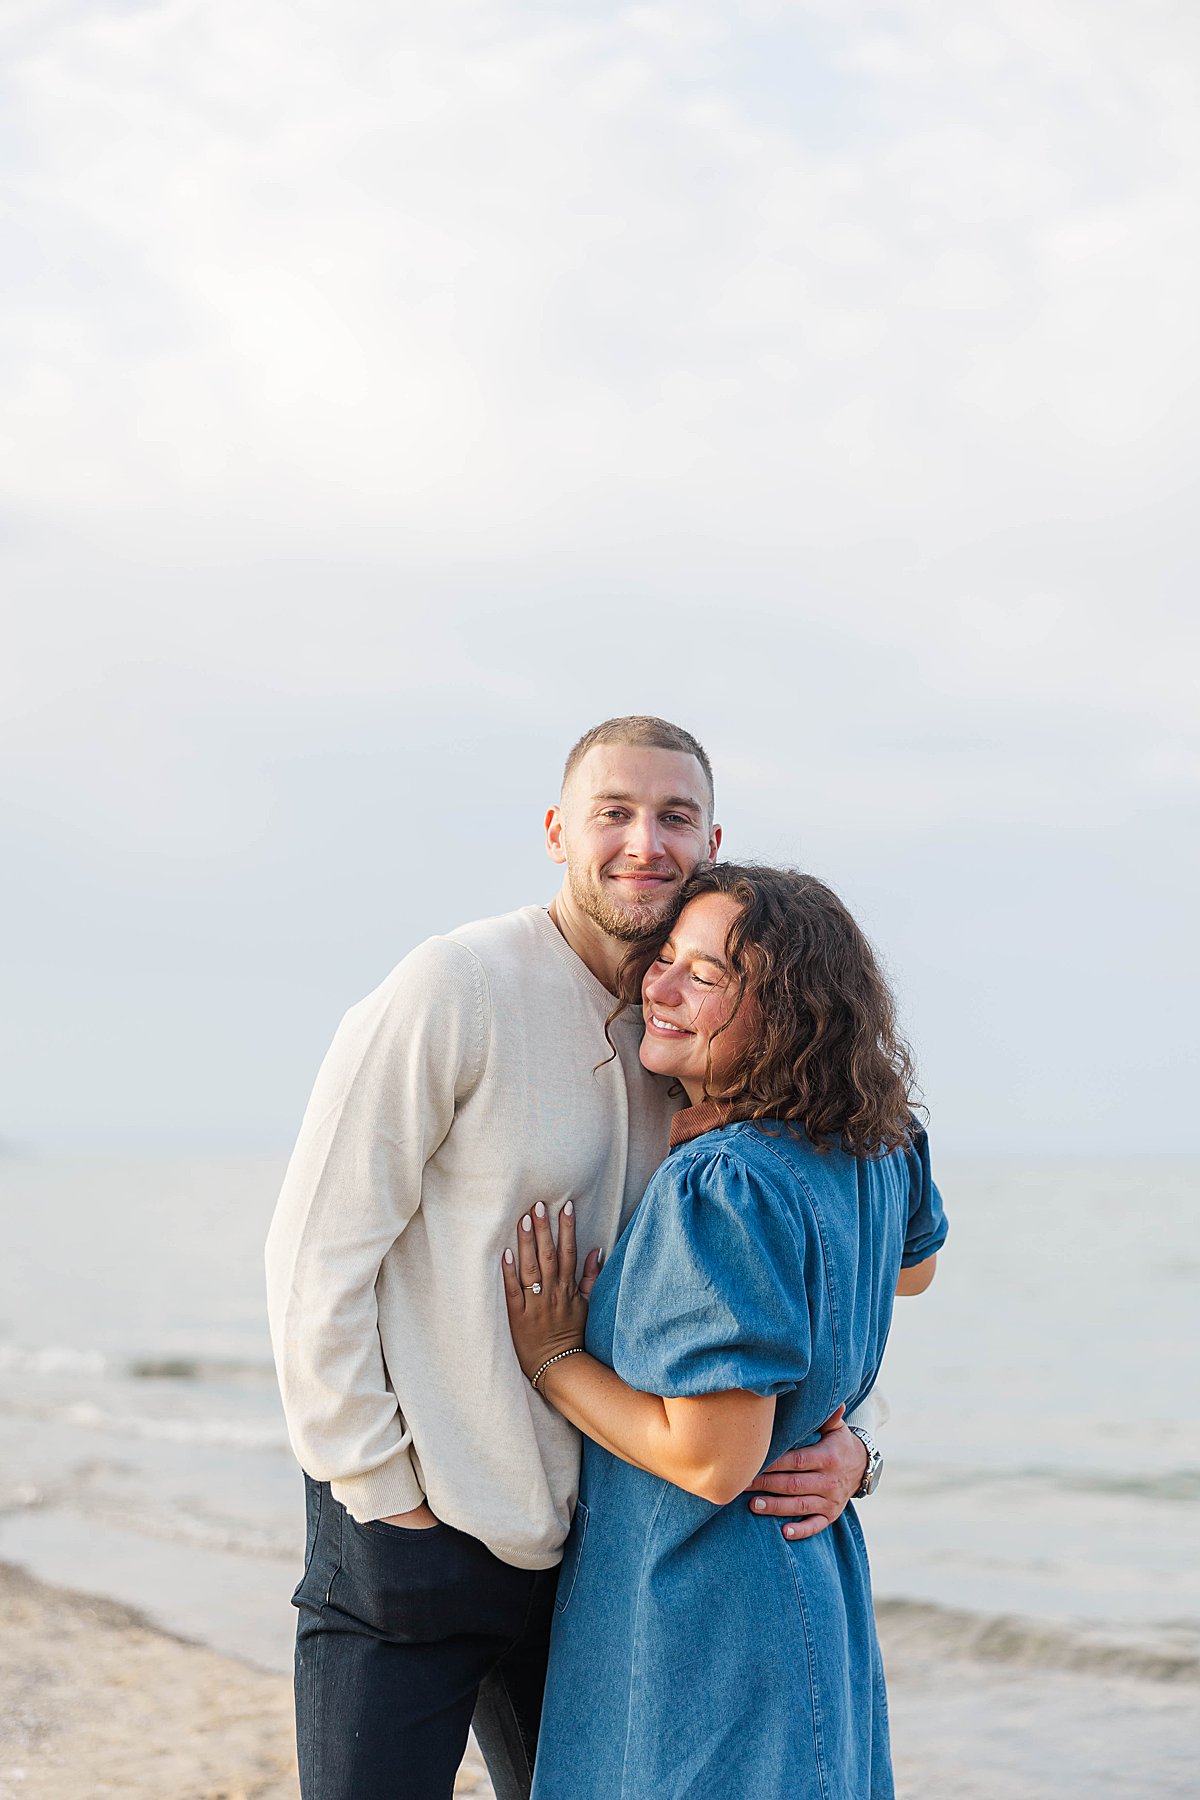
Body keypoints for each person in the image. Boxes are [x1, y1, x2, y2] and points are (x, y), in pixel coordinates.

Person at [265, 718, 876, 1800]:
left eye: (674, 816)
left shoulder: (693, 1033)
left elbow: (806, 1279)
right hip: (421, 1535)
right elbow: (318, 1252)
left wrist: (857, 1448)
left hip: (593, 1564)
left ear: (711, 839)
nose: (645, 841)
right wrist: (380, 1495)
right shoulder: (455, 984)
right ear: (558, 831)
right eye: (615, 812)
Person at [504, 863, 947, 1800]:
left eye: (705, 976)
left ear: (789, 1011)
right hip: (808, 1586)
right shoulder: (880, 1142)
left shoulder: (727, 1185)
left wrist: (553, 1357)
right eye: (663, 958)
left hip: (701, 1618)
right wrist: (847, 1438)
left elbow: (710, 1459)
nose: (657, 989)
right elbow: (913, 1269)